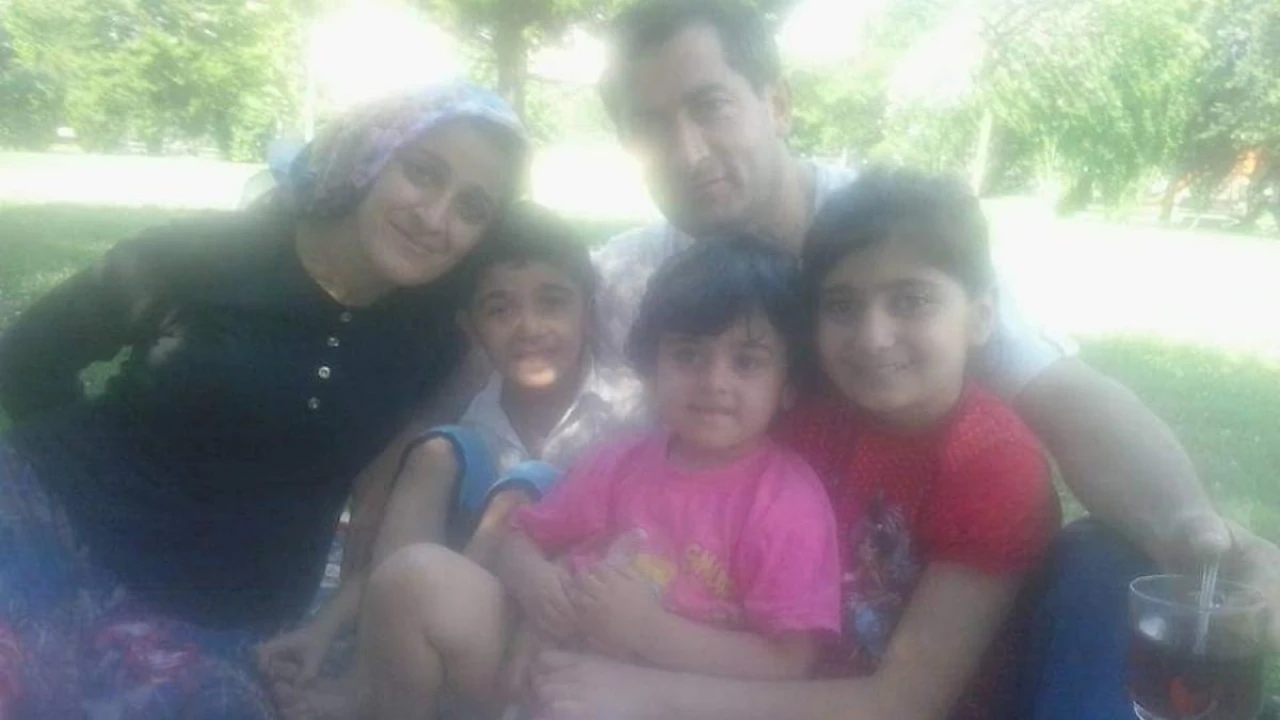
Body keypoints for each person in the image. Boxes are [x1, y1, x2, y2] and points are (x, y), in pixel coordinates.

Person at [545, 1, 1280, 717]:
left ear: (777, 103)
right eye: (649, 125)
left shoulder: (887, 233)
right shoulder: (635, 279)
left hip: (835, 665)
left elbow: (1061, 394)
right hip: (727, 628)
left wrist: (1192, 529)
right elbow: (588, 449)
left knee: (1102, 561)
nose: (688, 151)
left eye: (709, 106)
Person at [0, 83, 527, 719]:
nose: (436, 218)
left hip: (228, 617)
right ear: (368, 157)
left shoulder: (437, 336)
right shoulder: (206, 256)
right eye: (422, 172)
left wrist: (343, 635)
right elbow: (29, 355)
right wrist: (72, 486)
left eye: (472, 208)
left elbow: (384, 500)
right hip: (50, 536)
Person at [361, 236, 843, 719]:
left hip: (660, 697)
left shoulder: (786, 502)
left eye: (747, 362)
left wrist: (649, 631)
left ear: (788, 384)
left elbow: (789, 663)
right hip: (541, 659)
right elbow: (517, 538)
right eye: (688, 355)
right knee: (413, 578)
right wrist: (536, 582)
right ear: (653, 366)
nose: (715, 381)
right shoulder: (623, 459)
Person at [258, 202, 644, 719]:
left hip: (569, 632)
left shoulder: (634, 412)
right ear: (472, 330)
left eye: (553, 303)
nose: (529, 327)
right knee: (438, 454)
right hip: (479, 616)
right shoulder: (474, 417)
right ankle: (369, 675)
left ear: (588, 314)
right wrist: (323, 627)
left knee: (526, 488)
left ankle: (374, 692)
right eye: (500, 310)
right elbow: (401, 553)